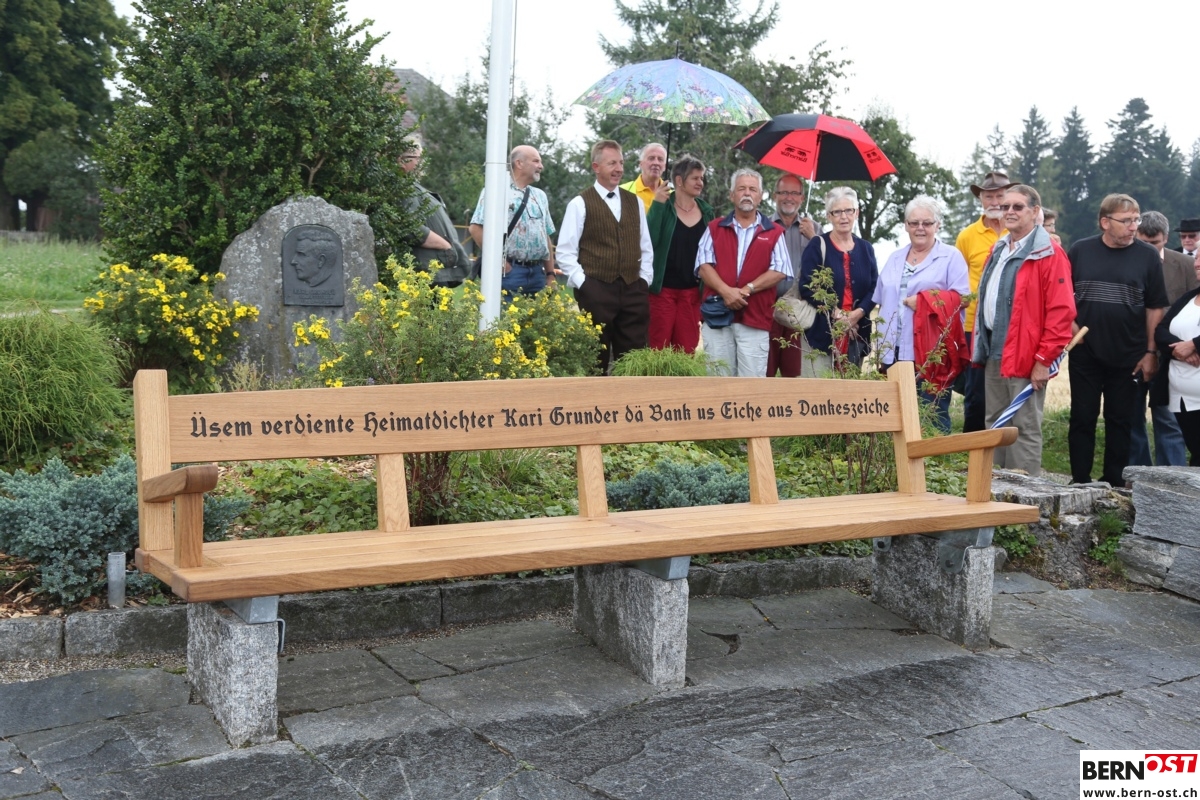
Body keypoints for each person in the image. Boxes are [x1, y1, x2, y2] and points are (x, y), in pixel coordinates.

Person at [973, 185, 1075, 477]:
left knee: (1024, 427)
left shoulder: (1049, 253)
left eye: (1017, 207)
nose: (1009, 212)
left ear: (1035, 212)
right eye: (1005, 207)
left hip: (1028, 357)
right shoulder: (999, 248)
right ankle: (992, 489)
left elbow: (1062, 311)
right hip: (995, 350)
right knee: (995, 424)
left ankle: (1024, 496)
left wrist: (1043, 360)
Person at [1067, 194, 1169, 486]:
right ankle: (1079, 480)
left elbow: (1155, 307)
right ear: (1105, 222)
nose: (1133, 227)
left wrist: (1150, 352)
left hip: (1129, 353)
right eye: (1126, 221)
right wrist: (1070, 325)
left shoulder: (1147, 256)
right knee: (1082, 416)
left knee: (1121, 420)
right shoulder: (1080, 250)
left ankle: (1113, 482)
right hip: (1085, 351)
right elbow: (1063, 294)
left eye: (1136, 219)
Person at [873, 196, 970, 432]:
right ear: (906, 225)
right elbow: (881, 300)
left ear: (938, 225)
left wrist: (926, 302)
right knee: (896, 417)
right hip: (894, 351)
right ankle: (900, 457)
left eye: (927, 223)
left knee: (932, 415)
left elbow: (963, 298)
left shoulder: (951, 256)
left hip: (931, 351)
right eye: (914, 223)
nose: (920, 228)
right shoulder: (895, 258)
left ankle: (937, 455)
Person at [556, 140, 653, 374]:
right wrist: (585, 284)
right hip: (596, 290)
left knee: (633, 361)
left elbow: (646, 246)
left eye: (621, 163)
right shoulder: (579, 204)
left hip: (633, 289)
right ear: (596, 167)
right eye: (612, 163)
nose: (619, 169)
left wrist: (644, 281)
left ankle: (629, 398)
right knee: (594, 360)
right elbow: (565, 252)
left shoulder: (635, 202)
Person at [694, 168, 792, 376]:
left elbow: (780, 269)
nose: (747, 193)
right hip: (718, 317)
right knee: (718, 381)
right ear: (732, 195)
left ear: (760, 196)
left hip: (755, 320)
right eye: (741, 189)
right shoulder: (714, 227)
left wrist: (747, 289)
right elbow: (703, 265)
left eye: (752, 189)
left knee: (751, 385)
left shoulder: (774, 232)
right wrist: (726, 292)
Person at [1130, 211, 1199, 466]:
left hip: (1174, 360)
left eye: (1155, 243)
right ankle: (1137, 474)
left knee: (1169, 422)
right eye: (1143, 242)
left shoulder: (1184, 264)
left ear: (1166, 238)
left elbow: (1191, 308)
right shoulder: (1125, 261)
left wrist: (1187, 348)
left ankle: (1173, 476)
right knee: (1131, 419)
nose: (1149, 248)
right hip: (1133, 353)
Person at [955, 171, 1014, 432]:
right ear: (981, 199)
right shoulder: (967, 236)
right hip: (974, 326)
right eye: (989, 196)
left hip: (1012, 325)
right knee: (976, 392)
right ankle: (973, 447)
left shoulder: (1020, 231)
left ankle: (1005, 446)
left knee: (1008, 388)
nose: (995, 202)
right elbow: (958, 279)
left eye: (1000, 196)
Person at [798, 186, 877, 375]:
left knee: (850, 390)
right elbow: (807, 286)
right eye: (837, 212)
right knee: (819, 390)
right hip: (820, 334)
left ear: (856, 213)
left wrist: (857, 314)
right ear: (829, 216)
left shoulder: (866, 248)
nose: (844, 217)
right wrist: (838, 315)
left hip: (856, 334)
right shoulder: (817, 245)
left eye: (849, 210)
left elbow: (875, 287)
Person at [645, 153, 715, 353]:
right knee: (657, 349)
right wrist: (658, 205)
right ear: (679, 181)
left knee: (686, 350)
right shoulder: (663, 205)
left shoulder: (707, 212)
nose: (700, 182)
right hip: (662, 292)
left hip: (692, 294)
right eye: (695, 178)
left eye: (701, 178)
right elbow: (649, 241)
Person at [468, 145, 556, 300]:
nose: (541, 166)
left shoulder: (540, 196)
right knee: (506, 315)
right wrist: (500, 262)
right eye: (536, 161)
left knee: (536, 316)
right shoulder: (496, 190)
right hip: (510, 273)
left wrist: (550, 274)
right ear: (519, 163)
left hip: (537, 274)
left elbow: (546, 237)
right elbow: (475, 228)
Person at [767, 174, 817, 377]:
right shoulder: (763, 226)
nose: (789, 197)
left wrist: (813, 238)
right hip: (767, 310)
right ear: (774, 195)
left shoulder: (814, 229)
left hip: (799, 314)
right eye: (784, 192)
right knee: (764, 374)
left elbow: (827, 267)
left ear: (802, 198)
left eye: (795, 193)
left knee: (795, 377)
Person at [400, 141, 470, 284]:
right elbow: (410, 227)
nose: (421, 163)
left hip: (434, 272)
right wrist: (446, 246)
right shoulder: (403, 188)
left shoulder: (413, 187)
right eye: (417, 158)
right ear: (401, 160)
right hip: (425, 274)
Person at [1155, 251, 1200, 465]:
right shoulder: (1188, 298)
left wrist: (1194, 345)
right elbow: (1161, 331)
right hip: (1182, 397)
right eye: (1197, 258)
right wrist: (1179, 350)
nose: (1197, 264)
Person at [620, 142, 668, 213]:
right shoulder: (621, 191)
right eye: (651, 158)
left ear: (665, 166)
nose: (656, 163)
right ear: (641, 163)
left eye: (660, 159)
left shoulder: (672, 196)